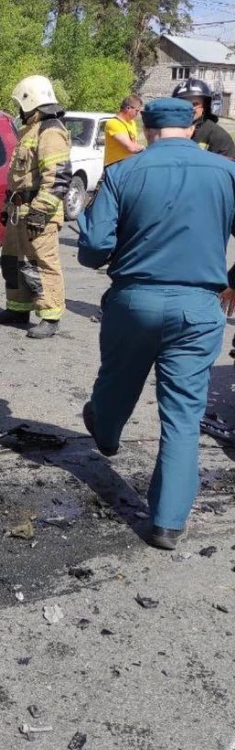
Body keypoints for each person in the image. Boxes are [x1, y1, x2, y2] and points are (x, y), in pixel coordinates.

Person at [78, 98, 235, 550]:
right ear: (191, 128)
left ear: (146, 129)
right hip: (199, 306)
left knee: (118, 378)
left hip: (134, 300)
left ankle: (106, 434)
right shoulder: (226, 173)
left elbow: (91, 250)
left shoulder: (125, 172)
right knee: (184, 414)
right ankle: (167, 522)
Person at [0, 75, 72, 339]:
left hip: (38, 212)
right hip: (19, 211)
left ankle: (50, 315)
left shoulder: (51, 130)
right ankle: (17, 308)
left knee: (42, 264)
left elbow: (58, 176)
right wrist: (7, 205)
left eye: (20, 105)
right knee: (13, 261)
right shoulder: (31, 131)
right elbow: (19, 177)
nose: (18, 110)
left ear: (30, 102)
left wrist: (40, 211)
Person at [172, 77, 235, 158]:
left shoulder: (218, 136)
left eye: (195, 104)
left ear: (205, 106)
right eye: (183, 103)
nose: (188, 108)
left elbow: (227, 168)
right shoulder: (166, 130)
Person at [103, 95, 144, 167]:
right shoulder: (114, 123)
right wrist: (144, 148)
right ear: (128, 108)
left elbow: (135, 144)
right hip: (114, 168)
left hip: (128, 166)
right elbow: (131, 147)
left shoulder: (132, 123)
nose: (137, 114)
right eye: (137, 111)